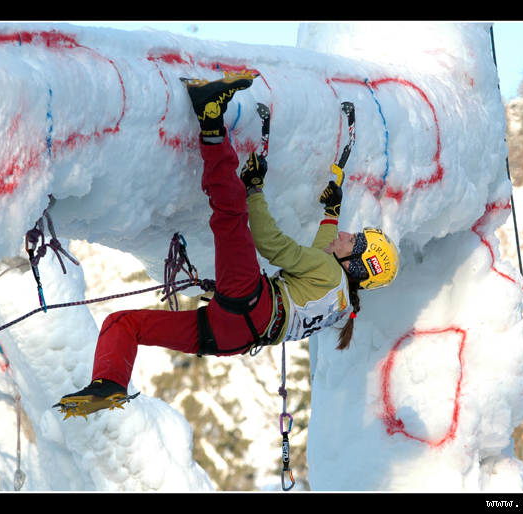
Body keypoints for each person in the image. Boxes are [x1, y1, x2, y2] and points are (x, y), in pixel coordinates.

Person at [55, 71, 400, 419]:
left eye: (353, 240)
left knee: (231, 209)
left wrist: (254, 188)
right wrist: (331, 211)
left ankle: (210, 119)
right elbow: (323, 255)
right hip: (231, 337)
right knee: (123, 323)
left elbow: (271, 243)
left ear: (358, 263)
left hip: (250, 304)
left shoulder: (329, 272)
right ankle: (108, 384)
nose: (345, 235)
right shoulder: (341, 302)